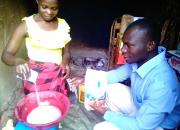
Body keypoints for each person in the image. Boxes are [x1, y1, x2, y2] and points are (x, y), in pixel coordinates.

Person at [69, 19, 180, 130]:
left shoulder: (162, 85)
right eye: (123, 44)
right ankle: (124, 119)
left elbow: (141, 126)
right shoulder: (141, 59)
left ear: (150, 45)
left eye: (129, 45)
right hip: (142, 108)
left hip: (157, 125)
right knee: (109, 87)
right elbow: (115, 76)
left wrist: (106, 113)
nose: (122, 50)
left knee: (101, 128)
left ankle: (123, 120)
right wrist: (86, 79)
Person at [1, 0, 71, 95]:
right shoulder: (27, 26)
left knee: (55, 104)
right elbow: (6, 55)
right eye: (44, 7)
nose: (49, 12)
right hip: (35, 79)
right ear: (37, 2)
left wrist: (65, 63)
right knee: (36, 105)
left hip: (57, 77)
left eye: (54, 8)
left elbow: (66, 52)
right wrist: (18, 61)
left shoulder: (62, 25)